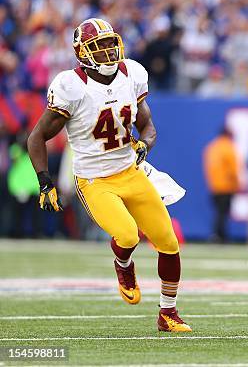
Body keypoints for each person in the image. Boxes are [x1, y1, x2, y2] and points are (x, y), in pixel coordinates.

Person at [26, 18, 191, 332]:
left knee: (168, 242)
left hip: (130, 171)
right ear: (82, 53)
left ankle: (168, 314)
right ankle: (123, 264)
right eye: (98, 46)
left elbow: (147, 125)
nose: (107, 50)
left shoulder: (132, 73)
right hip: (95, 179)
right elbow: (36, 137)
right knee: (127, 235)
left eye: (109, 43)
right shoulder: (70, 85)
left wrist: (146, 143)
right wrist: (44, 180)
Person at [203, 127, 240, 243]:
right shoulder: (228, 147)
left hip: (214, 185)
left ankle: (218, 235)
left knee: (219, 212)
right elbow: (233, 170)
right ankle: (220, 236)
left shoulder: (212, 147)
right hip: (226, 186)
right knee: (223, 213)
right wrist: (236, 184)